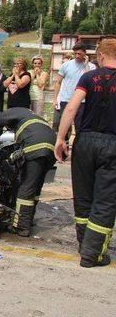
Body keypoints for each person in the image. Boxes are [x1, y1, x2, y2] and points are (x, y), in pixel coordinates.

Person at [54, 38, 116, 268]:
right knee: (106, 199)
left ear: (100, 56)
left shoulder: (89, 77)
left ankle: (84, 246)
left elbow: (71, 107)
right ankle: (92, 254)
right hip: (113, 143)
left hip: (85, 142)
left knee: (83, 198)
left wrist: (60, 139)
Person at [0, 108, 55, 237]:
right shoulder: (32, 117)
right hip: (51, 149)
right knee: (35, 186)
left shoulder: (15, 111)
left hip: (35, 146)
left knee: (25, 186)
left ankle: (21, 226)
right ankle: (28, 219)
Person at [52, 43, 95, 143]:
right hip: (66, 100)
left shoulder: (91, 67)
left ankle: (79, 149)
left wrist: (86, 65)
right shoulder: (66, 65)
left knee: (81, 127)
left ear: (85, 53)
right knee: (64, 127)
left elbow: (90, 80)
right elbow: (58, 82)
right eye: (75, 53)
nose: (77, 56)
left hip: (83, 102)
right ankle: (63, 151)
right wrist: (55, 99)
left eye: (79, 54)